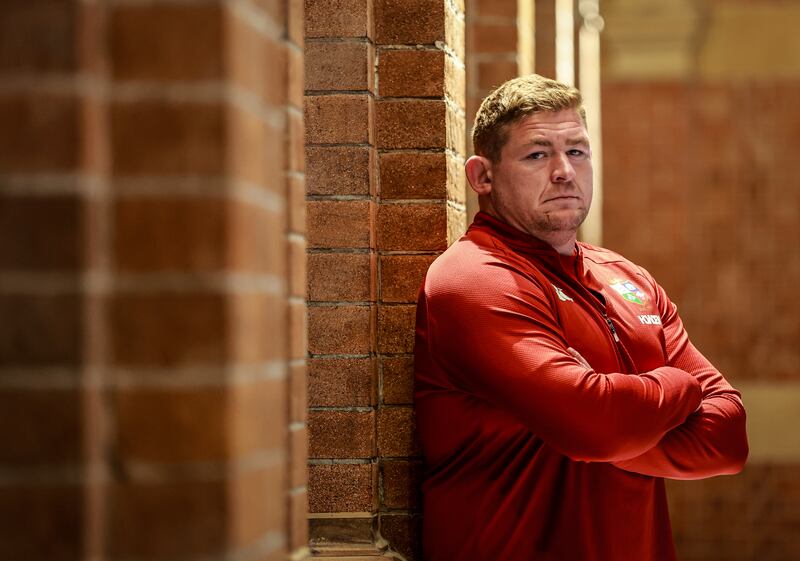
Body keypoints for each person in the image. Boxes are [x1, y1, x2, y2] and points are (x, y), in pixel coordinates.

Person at [413, 74, 748, 561]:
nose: (564, 171)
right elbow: (596, 426)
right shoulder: (472, 279)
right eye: (537, 154)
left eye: (577, 151)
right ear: (482, 176)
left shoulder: (625, 276)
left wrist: (603, 421)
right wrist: (681, 387)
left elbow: (729, 437)